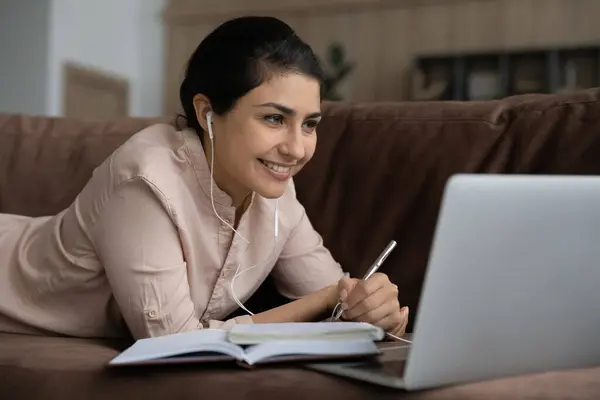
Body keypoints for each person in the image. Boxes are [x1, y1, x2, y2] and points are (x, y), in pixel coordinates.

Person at [0, 16, 409, 340]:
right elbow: (172, 342)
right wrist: (325, 300)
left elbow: (339, 300)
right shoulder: (145, 180)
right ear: (205, 112)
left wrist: (372, 309)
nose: (297, 148)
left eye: (309, 124)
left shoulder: (275, 188)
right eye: (274, 118)